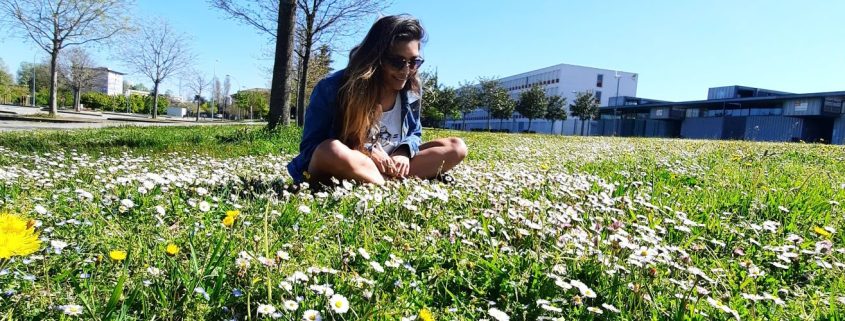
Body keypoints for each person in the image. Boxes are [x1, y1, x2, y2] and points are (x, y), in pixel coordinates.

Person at [287, 14, 467, 186]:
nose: (406, 70)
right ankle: (389, 183)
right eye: (398, 61)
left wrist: (403, 152)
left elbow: (414, 133)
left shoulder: (411, 91)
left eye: (414, 62)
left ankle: (383, 181)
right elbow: (311, 150)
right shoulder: (332, 87)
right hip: (351, 161)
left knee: (456, 147)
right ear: (376, 57)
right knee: (329, 149)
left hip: (393, 164)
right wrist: (367, 152)